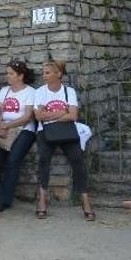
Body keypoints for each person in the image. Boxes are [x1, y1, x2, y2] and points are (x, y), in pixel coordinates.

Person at [34, 59, 95, 221]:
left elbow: (73, 116)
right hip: (45, 131)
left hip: (67, 131)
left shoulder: (69, 92)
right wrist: (62, 112)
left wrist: (50, 115)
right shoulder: (40, 91)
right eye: (44, 72)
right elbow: (39, 116)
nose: (44, 76)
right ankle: (42, 200)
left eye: (47, 73)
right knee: (43, 159)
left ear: (58, 74)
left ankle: (85, 201)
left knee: (77, 160)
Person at [0, 60, 37, 213]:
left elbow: (27, 117)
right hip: (3, 128)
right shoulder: (4, 90)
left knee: (13, 160)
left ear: (20, 76)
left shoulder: (30, 92)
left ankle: (5, 200)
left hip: (24, 130)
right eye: (7, 73)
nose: (7, 76)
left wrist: (6, 126)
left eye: (10, 74)